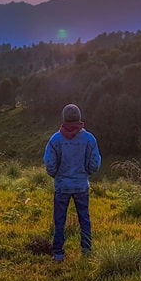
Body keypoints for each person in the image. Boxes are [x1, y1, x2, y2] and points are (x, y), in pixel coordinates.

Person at [43, 103, 101, 262]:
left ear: (64, 119)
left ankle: (58, 254)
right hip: (81, 186)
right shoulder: (89, 139)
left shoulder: (56, 139)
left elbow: (50, 164)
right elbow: (95, 164)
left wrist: (56, 175)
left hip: (62, 186)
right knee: (84, 219)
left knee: (59, 220)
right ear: (79, 118)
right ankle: (87, 251)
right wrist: (86, 173)